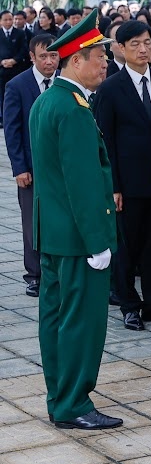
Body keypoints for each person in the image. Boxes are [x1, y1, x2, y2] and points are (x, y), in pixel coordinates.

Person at [31, 10, 121, 429]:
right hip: (78, 239)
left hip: (53, 235)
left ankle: (60, 398)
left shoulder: (48, 100)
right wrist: (97, 241)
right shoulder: (71, 108)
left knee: (55, 320)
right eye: (99, 55)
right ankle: (73, 405)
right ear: (75, 60)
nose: (106, 63)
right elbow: (82, 184)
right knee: (80, 323)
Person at [94, 20, 151, 331]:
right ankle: (130, 305)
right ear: (120, 49)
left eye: (146, 42)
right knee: (127, 247)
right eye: (135, 45)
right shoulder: (110, 88)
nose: (143, 49)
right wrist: (113, 185)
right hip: (128, 183)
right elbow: (106, 140)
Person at [3, 33, 58, 297]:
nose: (49, 61)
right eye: (43, 56)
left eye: (54, 55)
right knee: (32, 221)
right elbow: (12, 131)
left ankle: (58, 269)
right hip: (31, 167)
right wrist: (19, 168)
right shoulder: (17, 85)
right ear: (32, 57)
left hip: (61, 167)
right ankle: (34, 274)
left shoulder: (67, 82)